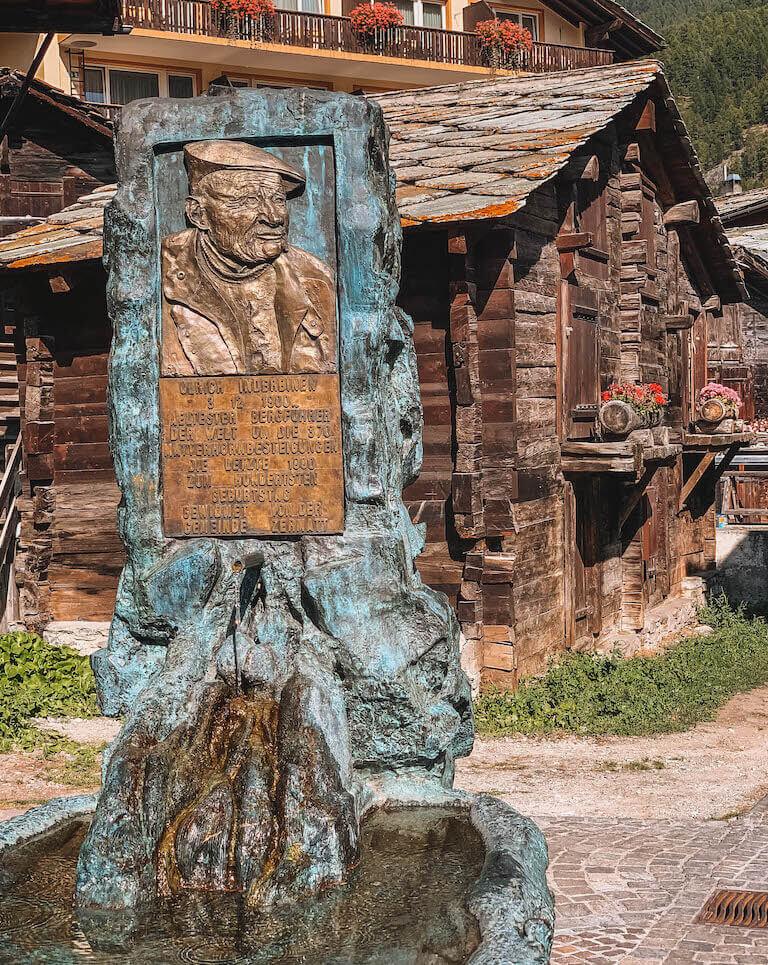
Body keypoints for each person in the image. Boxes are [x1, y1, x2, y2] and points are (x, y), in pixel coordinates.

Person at [161, 139, 336, 376]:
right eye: (248, 200)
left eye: (278, 200)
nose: (274, 218)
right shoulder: (158, 274)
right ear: (198, 215)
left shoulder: (315, 279)